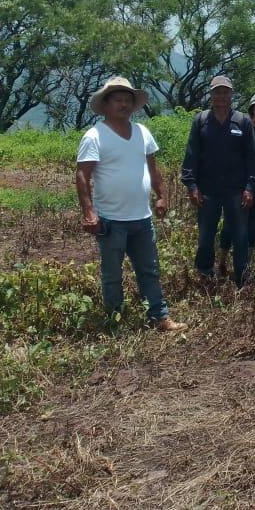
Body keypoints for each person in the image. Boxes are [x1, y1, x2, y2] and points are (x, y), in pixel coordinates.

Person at [75, 77, 187, 332]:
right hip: (111, 220)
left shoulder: (142, 132)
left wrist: (162, 195)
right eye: (118, 100)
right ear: (106, 105)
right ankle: (115, 321)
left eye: (127, 100)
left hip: (142, 219)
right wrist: (89, 211)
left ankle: (160, 317)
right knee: (112, 275)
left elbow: (153, 168)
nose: (124, 104)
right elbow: (83, 175)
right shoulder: (94, 136)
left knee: (150, 270)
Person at [181, 75, 255, 286]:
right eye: (217, 92)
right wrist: (192, 185)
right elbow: (192, 155)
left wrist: (250, 187)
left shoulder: (242, 121)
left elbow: (252, 158)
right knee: (206, 235)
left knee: (240, 235)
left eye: (225, 92)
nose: (221, 96)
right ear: (211, 95)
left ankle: (241, 275)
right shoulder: (201, 121)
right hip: (207, 189)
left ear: (231, 95)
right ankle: (205, 274)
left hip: (236, 190)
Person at [218, 91, 255, 276]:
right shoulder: (241, 124)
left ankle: (246, 266)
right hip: (237, 180)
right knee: (231, 222)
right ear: (252, 108)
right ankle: (222, 262)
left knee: (253, 222)